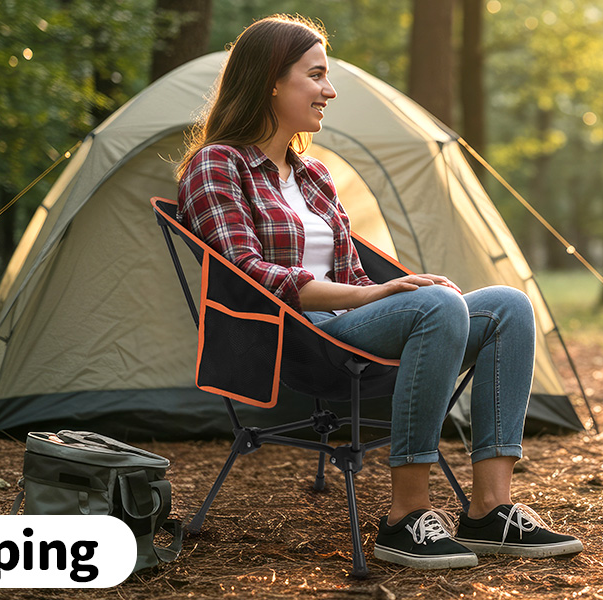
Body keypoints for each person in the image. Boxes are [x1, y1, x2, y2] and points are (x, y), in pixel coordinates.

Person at [176, 15, 581, 570]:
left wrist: (390, 294)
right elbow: (248, 274)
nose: (330, 90)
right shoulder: (217, 165)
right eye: (316, 75)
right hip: (298, 341)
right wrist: (374, 299)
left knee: (508, 305)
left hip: (352, 328)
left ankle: (490, 509)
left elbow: (355, 276)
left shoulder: (314, 175)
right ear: (272, 80)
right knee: (436, 305)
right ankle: (406, 518)